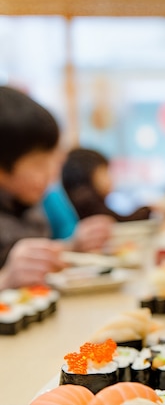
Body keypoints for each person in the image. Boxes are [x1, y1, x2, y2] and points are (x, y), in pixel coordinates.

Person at [0, 86, 113, 291]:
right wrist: (6, 279)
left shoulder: (29, 205)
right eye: (38, 164)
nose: (52, 174)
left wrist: (72, 247)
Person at [61, 147, 152, 222]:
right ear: (89, 175)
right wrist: (150, 209)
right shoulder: (88, 203)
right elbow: (123, 222)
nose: (111, 178)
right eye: (104, 172)